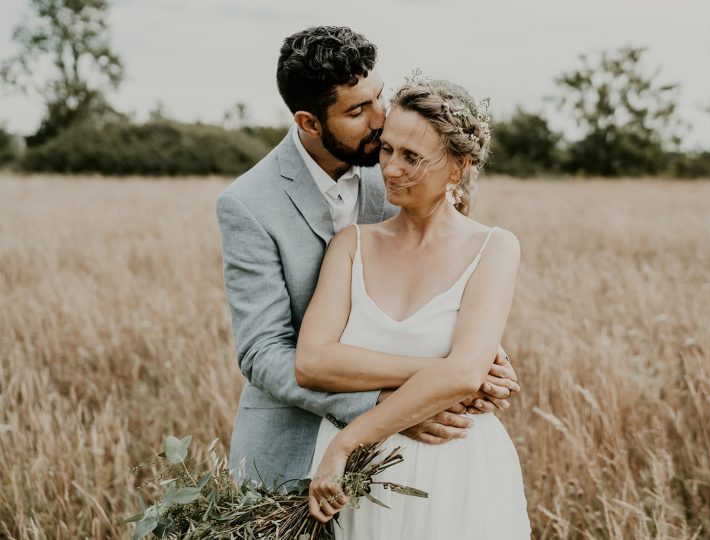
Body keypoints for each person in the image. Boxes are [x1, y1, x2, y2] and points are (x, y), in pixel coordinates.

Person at [216, 26, 519, 488]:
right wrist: (396, 398)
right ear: (309, 123)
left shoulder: (395, 168)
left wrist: (477, 358)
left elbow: (442, 274)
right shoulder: (249, 204)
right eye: (358, 111)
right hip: (292, 447)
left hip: (420, 457)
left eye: (378, 96)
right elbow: (263, 353)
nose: (381, 119)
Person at [297, 77, 531, 538]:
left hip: (455, 472)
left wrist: (348, 440)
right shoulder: (353, 243)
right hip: (362, 485)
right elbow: (312, 361)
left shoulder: (494, 248)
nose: (389, 168)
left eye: (412, 158)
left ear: (459, 167)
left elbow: (465, 375)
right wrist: (439, 371)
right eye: (387, 150)